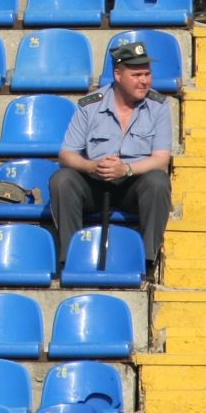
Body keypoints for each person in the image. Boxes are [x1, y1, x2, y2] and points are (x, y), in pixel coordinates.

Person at [49, 41, 173, 281]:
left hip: (134, 184)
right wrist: (90, 166)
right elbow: (66, 154)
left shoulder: (158, 106)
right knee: (62, 179)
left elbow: (160, 159)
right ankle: (70, 257)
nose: (144, 81)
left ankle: (147, 260)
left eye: (147, 74)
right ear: (117, 75)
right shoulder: (90, 105)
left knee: (158, 181)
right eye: (136, 75)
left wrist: (126, 169)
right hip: (95, 181)